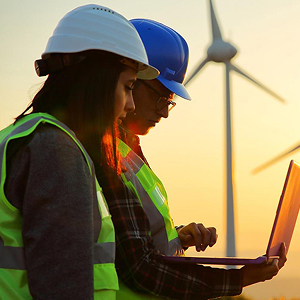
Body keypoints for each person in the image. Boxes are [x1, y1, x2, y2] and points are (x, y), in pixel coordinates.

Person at [98, 19, 287, 299]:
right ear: (131, 78)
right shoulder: (103, 153)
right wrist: (240, 279)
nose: (164, 112)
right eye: (161, 96)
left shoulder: (129, 151)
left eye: (170, 101)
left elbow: (132, 240)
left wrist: (176, 237)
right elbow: (138, 267)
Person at [0, 5, 158, 300]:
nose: (131, 105)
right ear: (97, 80)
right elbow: (63, 284)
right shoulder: (56, 152)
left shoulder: (21, 137)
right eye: (128, 87)